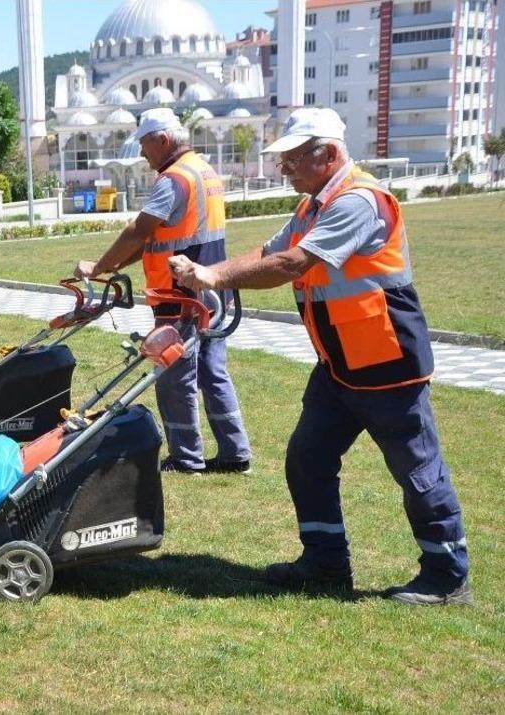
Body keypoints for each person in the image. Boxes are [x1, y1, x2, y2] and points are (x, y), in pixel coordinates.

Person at [169, 108, 471, 606]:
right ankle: (326, 562)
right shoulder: (314, 206)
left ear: (327, 153)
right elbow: (270, 250)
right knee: (307, 457)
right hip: (338, 366)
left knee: (418, 469)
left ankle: (446, 573)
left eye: (292, 159)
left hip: (386, 364)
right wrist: (213, 271)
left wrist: (214, 278)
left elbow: (293, 264)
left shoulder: (358, 201)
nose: (283, 169)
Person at [75, 107, 252, 475]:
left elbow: (139, 230)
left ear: (163, 139)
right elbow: (158, 238)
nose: (142, 153)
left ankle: (186, 458)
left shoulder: (174, 179)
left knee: (175, 378)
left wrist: (99, 267)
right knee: (213, 372)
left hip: (180, 295)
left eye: (144, 144)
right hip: (213, 288)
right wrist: (116, 265)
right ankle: (236, 453)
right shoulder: (204, 171)